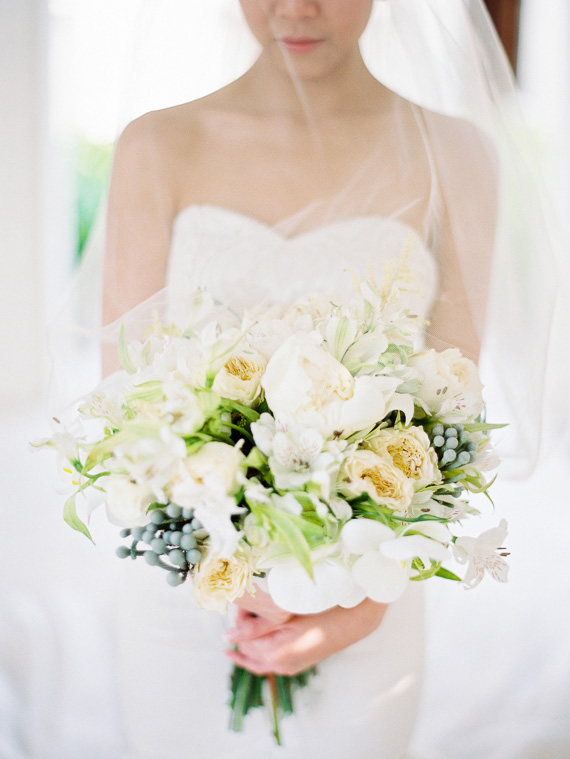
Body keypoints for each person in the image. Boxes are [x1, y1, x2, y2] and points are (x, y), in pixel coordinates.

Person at [94, 1, 553, 757]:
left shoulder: (458, 153)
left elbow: (451, 409)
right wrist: (236, 575)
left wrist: (352, 600)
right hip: (187, 596)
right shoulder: (157, 145)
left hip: (372, 594)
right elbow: (126, 403)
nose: (296, 7)